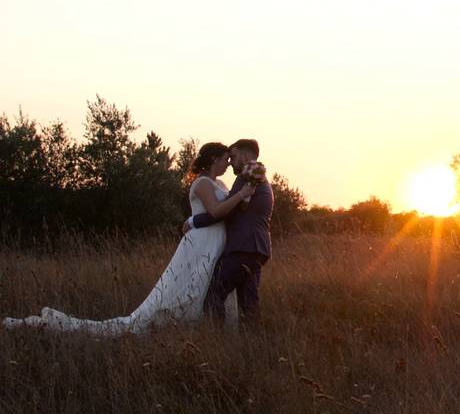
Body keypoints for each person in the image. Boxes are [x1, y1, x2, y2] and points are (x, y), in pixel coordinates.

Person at [2, 142, 250, 335]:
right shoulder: (203, 183)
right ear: (213, 159)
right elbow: (217, 212)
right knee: (189, 287)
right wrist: (241, 196)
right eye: (225, 159)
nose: (229, 164)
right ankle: (173, 327)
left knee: (208, 286)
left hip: (214, 242)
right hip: (201, 244)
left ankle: (203, 330)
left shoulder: (220, 182)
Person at [183, 138, 273, 326]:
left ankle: (215, 340)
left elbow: (224, 210)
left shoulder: (246, 176)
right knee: (249, 303)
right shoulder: (261, 177)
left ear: (245, 155)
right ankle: (252, 344)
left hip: (243, 246)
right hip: (258, 247)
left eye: (233, 156)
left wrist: (193, 221)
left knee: (214, 294)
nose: (231, 162)